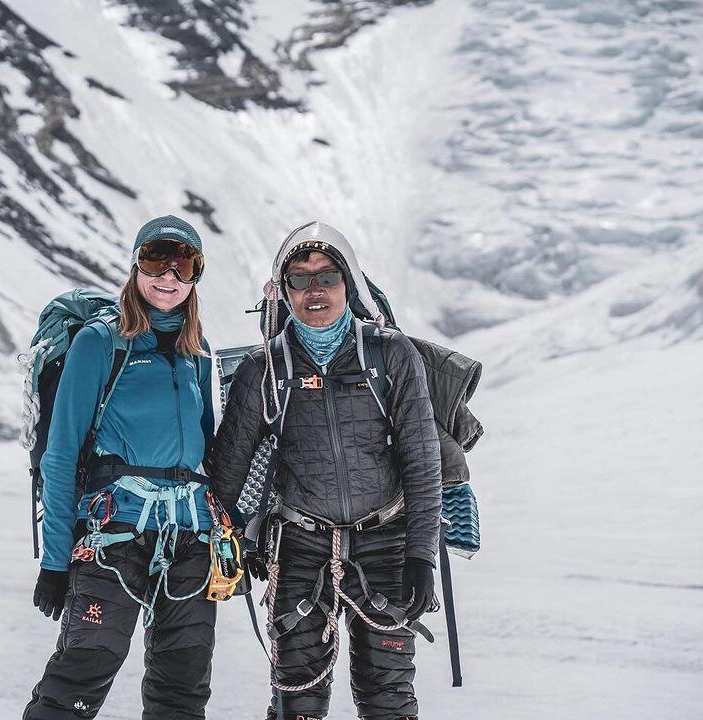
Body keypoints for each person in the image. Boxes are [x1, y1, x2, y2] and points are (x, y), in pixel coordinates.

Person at [211, 221, 442, 720]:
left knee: (389, 702)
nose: (315, 291)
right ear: (283, 291)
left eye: (328, 277)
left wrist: (422, 556)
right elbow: (226, 474)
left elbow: (423, 464)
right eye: (299, 278)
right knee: (297, 702)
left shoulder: (392, 355)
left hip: (387, 544)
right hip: (297, 546)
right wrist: (216, 548)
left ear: (349, 284)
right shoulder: (262, 371)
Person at [24, 215, 218, 720]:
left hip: (190, 540)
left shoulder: (198, 352)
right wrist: (55, 561)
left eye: (183, 265)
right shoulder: (99, 343)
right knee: (81, 675)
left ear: (196, 275)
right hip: (114, 535)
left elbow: (208, 455)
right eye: (156, 260)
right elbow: (61, 455)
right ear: (136, 265)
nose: (168, 276)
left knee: (183, 686)